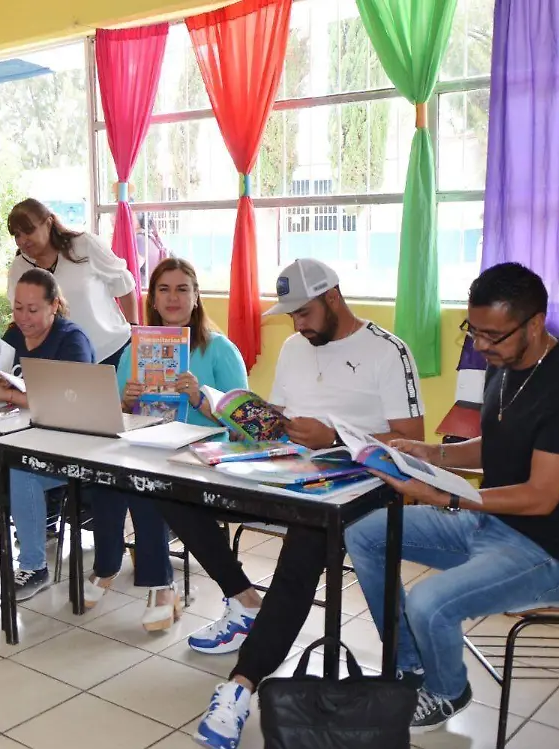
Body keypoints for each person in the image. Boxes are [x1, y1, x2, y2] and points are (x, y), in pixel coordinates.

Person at [164, 258, 425, 749]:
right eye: (291, 315)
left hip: (357, 486)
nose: (297, 324)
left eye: (304, 313)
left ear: (333, 298)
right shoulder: (294, 347)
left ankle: (241, 686)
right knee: (174, 491)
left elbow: (414, 442)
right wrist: (238, 414)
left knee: (300, 555)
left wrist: (336, 438)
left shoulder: (387, 351)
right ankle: (244, 600)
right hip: (286, 470)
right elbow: (279, 418)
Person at [345, 262, 559, 733]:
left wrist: (442, 496)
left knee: (429, 602)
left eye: (493, 336)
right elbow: (500, 442)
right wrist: (433, 453)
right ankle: (409, 664)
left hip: (547, 553)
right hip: (489, 523)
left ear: (535, 324)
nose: (481, 346)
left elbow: (540, 497)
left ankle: (448, 691)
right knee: (364, 533)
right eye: (474, 330)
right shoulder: (504, 365)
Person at [85, 258, 249, 631]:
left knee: (148, 483)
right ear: (153, 300)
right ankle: (108, 564)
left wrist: (201, 400)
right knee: (104, 473)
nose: (173, 298)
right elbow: (115, 414)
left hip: (203, 453)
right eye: (164, 289)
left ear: (196, 297)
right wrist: (126, 402)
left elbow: (244, 423)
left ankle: (161, 585)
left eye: (182, 289)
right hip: (149, 444)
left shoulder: (219, 349)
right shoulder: (136, 348)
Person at [0, 269, 95, 600]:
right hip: (20, 433)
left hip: (69, 445)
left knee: (20, 470)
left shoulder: (72, 340)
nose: (23, 317)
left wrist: (9, 395)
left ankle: (34, 567)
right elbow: (2, 380)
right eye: (17, 308)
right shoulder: (14, 336)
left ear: (53, 306)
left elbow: (70, 401)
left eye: (32, 309)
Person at [7, 199, 139, 368]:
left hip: (113, 348)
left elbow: (124, 285)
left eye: (28, 231)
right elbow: (21, 316)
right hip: (64, 359)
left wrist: (135, 331)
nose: (22, 240)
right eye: (17, 235)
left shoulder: (84, 244)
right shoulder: (19, 267)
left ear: (48, 223)